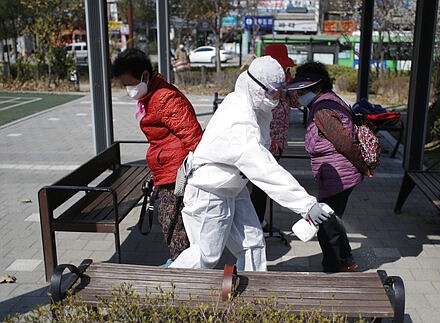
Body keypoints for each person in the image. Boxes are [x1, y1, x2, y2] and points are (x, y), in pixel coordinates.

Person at [170, 56, 334, 271]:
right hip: (209, 191)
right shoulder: (240, 119)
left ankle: (255, 294)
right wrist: (306, 204)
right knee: (205, 255)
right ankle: (166, 291)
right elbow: (264, 169)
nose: (276, 97)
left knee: (253, 243)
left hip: (232, 187)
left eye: (279, 91)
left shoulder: (250, 103)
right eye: (272, 92)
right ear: (256, 87)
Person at [112, 48, 203, 267]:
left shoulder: (165, 98)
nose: (128, 89)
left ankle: (182, 266)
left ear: (144, 75)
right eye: (124, 85)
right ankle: (180, 261)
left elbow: (193, 135)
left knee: (173, 220)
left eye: (129, 83)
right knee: (169, 219)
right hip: (167, 168)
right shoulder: (152, 95)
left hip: (176, 171)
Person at [290, 61, 373, 272]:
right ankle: (346, 259)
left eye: (303, 90)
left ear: (317, 88)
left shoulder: (323, 111)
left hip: (340, 175)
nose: (299, 94)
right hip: (337, 174)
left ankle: (333, 267)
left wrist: (363, 167)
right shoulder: (328, 101)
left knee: (325, 223)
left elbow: (345, 143)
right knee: (332, 219)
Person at [250, 44, 299, 227]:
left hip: (278, 142)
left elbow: (296, 103)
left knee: (263, 185)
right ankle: (256, 221)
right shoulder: (263, 82)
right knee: (261, 185)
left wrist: (289, 83)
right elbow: (264, 102)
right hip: (265, 140)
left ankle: (258, 219)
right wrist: (278, 86)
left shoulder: (287, 82)